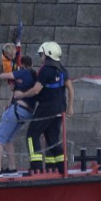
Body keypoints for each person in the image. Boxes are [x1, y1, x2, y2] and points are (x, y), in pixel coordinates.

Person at [15, 42, 74, 174]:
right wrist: (70, 108)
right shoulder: (62, 69)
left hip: (46, 108)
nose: (40, 58)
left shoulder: (45, 70)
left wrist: (21, 95)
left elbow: (36, 91)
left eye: (41, 55)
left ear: (47, 55)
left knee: (32, 135)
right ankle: (62, 167)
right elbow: (70, 88)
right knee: (52, 139)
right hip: (60, 108)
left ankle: (36, 167)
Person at [0, 55, 37, 174]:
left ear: (22, 64)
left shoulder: (23, 72)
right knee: (8, 139)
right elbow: (17, 91)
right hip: (27, 112)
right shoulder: (33, 75)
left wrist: (8, 68)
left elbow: (3, 76)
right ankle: (12, 167)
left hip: (17, 109)